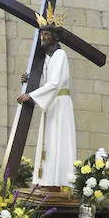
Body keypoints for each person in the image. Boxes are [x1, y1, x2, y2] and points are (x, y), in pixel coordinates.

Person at [16, 10, 76, 188]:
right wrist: (29, 80)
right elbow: (46, 82)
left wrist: (31, 95)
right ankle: (47, 179)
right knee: (49, 141)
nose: (43, 37)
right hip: (51, 104)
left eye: (47, 34)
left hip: (60, 103)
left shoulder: (60, 55)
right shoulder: (49, 59)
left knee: (59, 141)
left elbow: (55, 83)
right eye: (42, 34)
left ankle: (60, 181)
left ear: (54, 38)